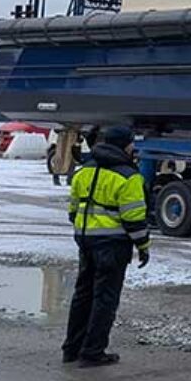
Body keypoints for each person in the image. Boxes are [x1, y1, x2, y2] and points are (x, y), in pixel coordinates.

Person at [62, 125, 150, 366]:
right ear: (125, 145)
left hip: (86, 240)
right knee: (105, 299)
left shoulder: (84, 171)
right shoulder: (128, 176)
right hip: (112, 244)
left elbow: (73, 209)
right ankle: (92, 352)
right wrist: (143, 246)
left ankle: (71, 349)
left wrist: (86, 228)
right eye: (131, 143)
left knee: (83, 294)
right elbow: (134, 218)